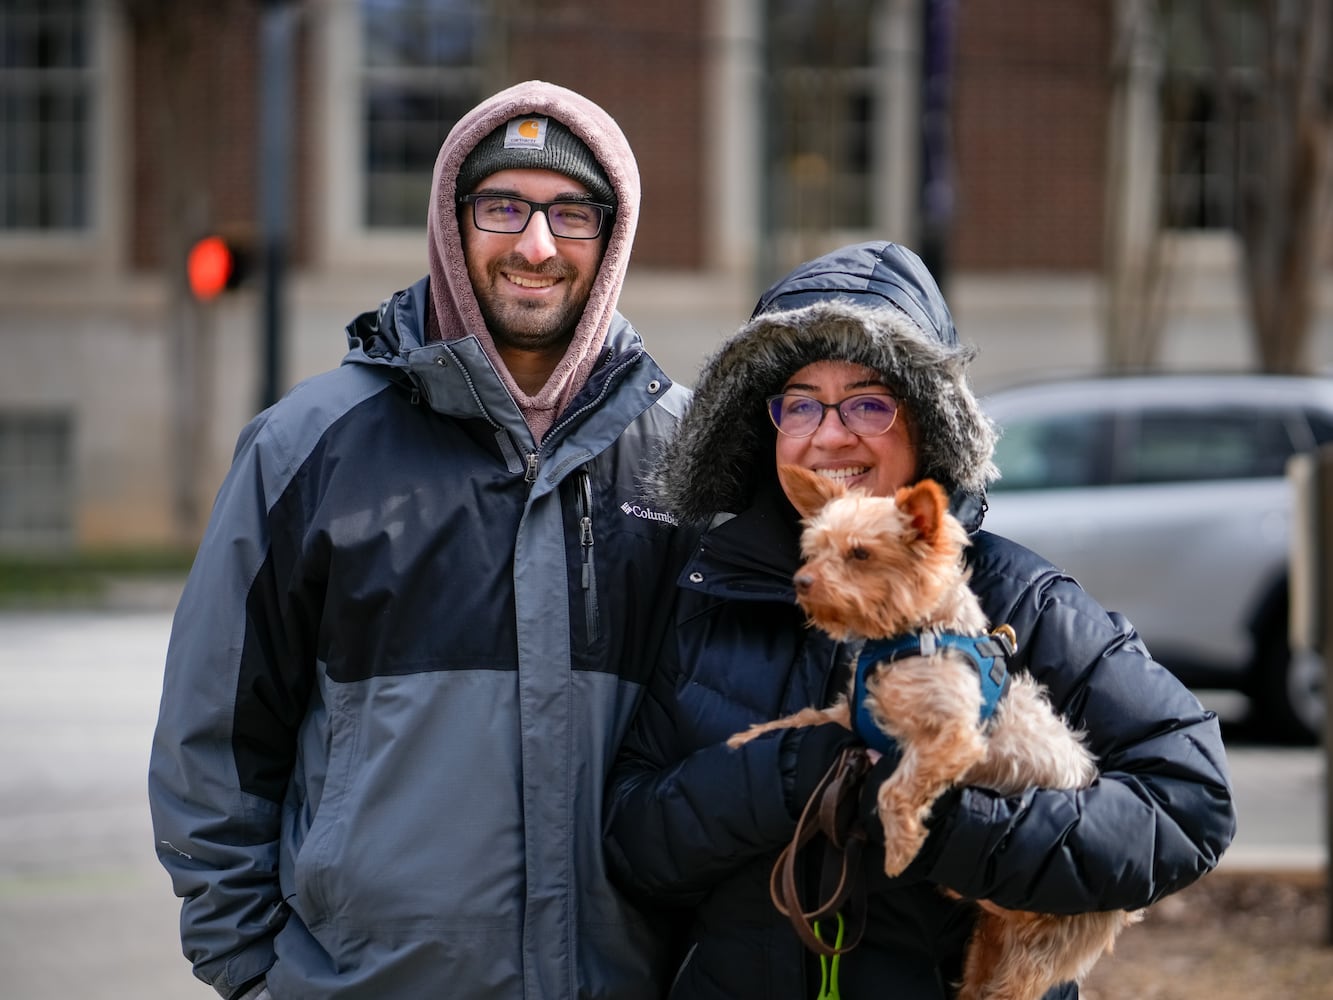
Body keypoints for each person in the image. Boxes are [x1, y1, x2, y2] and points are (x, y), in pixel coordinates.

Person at [149, 80, 689, 1000]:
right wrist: (250, 969)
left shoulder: (685, 459)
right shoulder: (307, 447)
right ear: (450, 220)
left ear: (614, 237)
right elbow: (217, 736)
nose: (535, 245)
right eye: (502, 207)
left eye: (572, 215)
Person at [604, 241, 1237, 999]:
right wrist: (787, 774)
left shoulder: (1019, 601)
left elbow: (1188, 807)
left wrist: (936, 817)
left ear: (929, 422)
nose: (829, 435)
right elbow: (630, 845)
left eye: (868, 403)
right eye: (800, 403)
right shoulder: (707, 594)